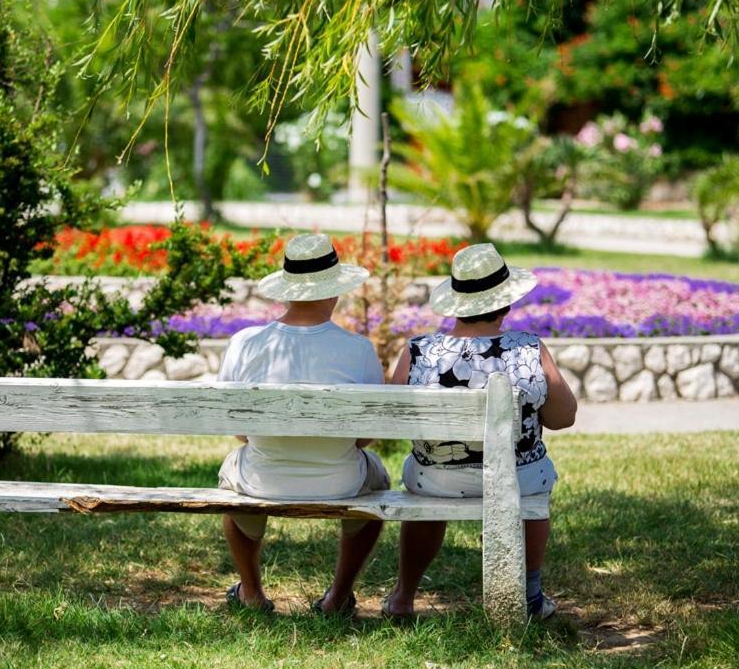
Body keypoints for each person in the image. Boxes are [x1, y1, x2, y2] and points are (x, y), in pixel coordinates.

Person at [382, 243, 577, 621]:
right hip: (517, 479)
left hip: (433, 479)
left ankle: (404, 596)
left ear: (457, 302)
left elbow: (395, 419)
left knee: (424, 476)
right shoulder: (529, 350)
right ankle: (530, 594)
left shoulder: (419, 351)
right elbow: (563, 417)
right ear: (505, 302)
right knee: (534, 476)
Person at [217, 233, 390, 614]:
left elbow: (238, 426)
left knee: (232, 470)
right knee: (378, 476)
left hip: (261, 479)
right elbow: (366, 438)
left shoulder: (245, 343)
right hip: (341, 482)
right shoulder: (358, 350)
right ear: (335, 291)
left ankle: (250, 592)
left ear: (287, 290)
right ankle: (338, 596)